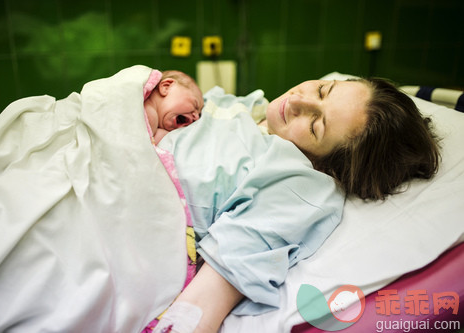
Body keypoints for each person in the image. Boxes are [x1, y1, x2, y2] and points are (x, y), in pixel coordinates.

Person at [154, 77, 440, 332]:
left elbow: (202, 303)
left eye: (316, 125)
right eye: (323, 89)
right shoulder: (248, 108)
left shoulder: (298, 185)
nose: (298, 100)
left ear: (324, 165)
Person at [144, 70, 204, 144]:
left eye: (199, 114)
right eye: (195, 105)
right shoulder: (149, 113)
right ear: (166, 87)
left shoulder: (153, 123)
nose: (197, 117)